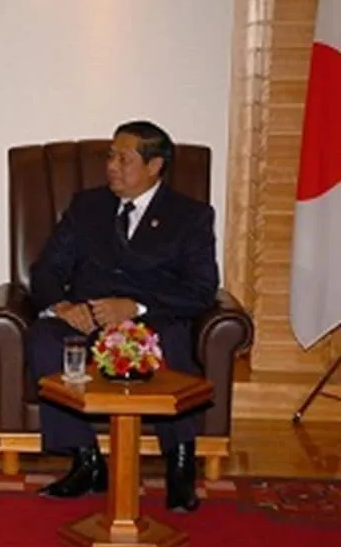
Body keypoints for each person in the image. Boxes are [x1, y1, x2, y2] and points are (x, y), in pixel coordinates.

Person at [26, 120, 218, 513]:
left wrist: (135, 306)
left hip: (153, 321)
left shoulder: (190, 216)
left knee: (173, 343)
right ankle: (86, 461)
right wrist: (64, 307)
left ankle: (180, 466)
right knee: (45, 337)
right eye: (110, 156)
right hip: (88, 319)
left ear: (154, 166)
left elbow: (200, 290)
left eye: (123, 158)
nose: (111, 165)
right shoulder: (87, 206)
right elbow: (46, 268)